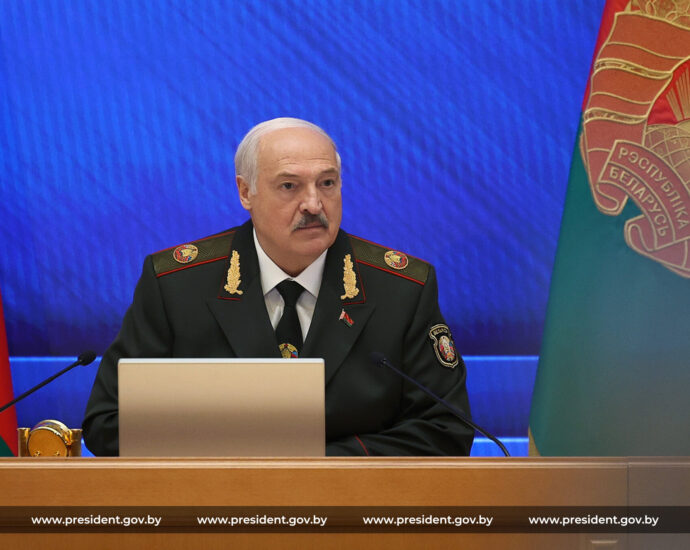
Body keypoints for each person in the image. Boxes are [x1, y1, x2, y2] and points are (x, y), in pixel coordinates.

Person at [83, 117, 474, 456]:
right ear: (245, 192)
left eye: (327, 183)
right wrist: (244, 467)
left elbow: (446, 427)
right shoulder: (177, 286)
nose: (313, 204)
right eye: (289, 186)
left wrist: (316, 466)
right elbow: (108, 422)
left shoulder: (401, 289)